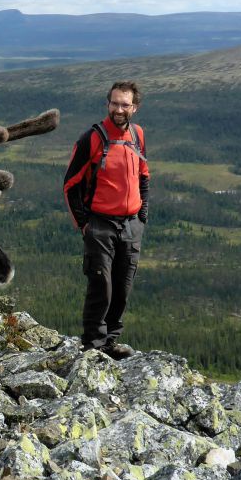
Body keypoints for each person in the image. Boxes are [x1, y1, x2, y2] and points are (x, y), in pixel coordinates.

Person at [62, 80, 149, 360]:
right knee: (102, 286)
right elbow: (70, 185)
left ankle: (111, 341)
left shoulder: (137, 135)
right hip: (100, 224)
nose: (119, 109)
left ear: (134, 107)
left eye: (125, 104)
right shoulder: (92, 138)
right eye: (114, 103)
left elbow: (144, 175)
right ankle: (93, 345)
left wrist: (142, 215)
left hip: (131, 224)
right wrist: (85, 225)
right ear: (107, 104)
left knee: (123, 286)